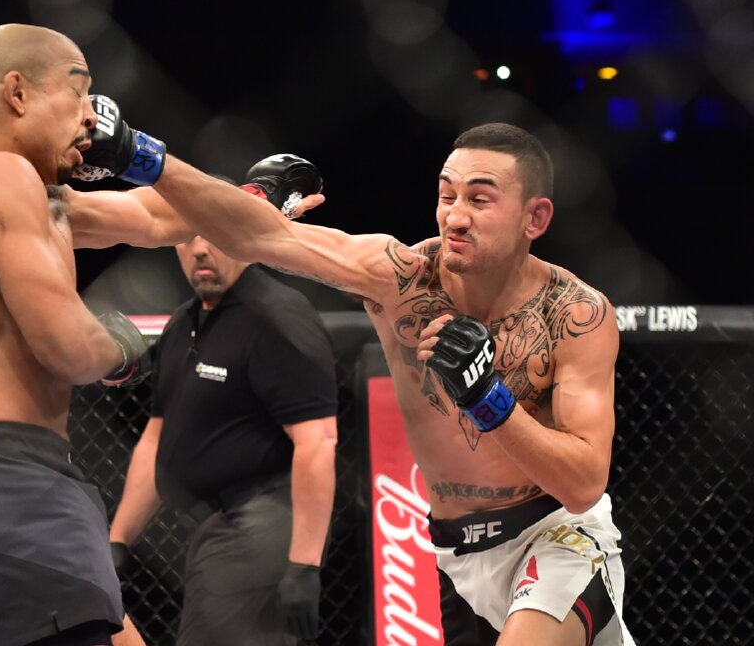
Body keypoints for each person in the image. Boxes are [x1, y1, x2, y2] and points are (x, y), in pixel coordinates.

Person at [122, 125, 637, 645]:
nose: (456, 216)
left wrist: (488, 398)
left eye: (480, 199)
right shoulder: (400, 280)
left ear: (536, 217)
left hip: (556, 536)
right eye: (447, 195)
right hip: (457, 555)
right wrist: (143, 157)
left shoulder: (575, 314)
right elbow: (257, 236)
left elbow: (583, 484)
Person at [0, 23, 217, 646]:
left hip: (16, 481)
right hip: (8, 483)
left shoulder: (36, 200)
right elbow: (72, 349)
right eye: (79, 95)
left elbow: (160, 218)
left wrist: (254, 200)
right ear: (18, 94)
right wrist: (124, 345)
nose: (92, 118)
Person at [108, 233, 339, 645]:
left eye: (213, 234)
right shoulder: (184, 323)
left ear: (240, 235)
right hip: (214, 526)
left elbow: (318, 440)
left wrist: (304, 565)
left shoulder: (277, 315)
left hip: (264, 523)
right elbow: (157, 439)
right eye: (186, 236)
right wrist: (119, 540)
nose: (200, 248)